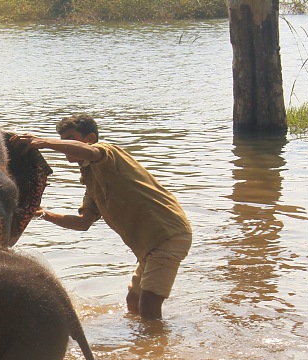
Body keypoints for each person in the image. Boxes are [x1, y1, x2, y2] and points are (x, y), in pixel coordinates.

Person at [11, 114, 192, 321]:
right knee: (133, 303)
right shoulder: (91, 180)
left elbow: (90, 152)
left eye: (69, 138)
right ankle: (146, 347)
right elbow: (82, 223)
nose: (64, 145)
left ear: (90, 138)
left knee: (149, 305)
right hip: (149, 245)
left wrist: (42, 142)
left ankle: (157, 349)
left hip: (167, 235)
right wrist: (44, 214)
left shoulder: (108, 152)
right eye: (61, 139)